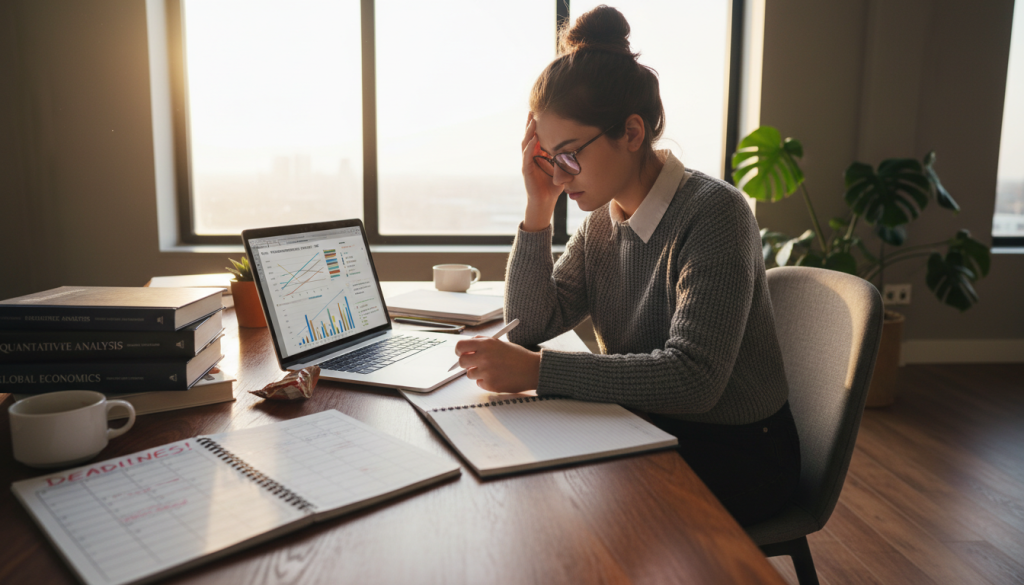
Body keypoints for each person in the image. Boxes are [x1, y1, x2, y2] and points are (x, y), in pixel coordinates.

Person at [453, 5, 799, 527]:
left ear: (632, 133)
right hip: (644, 424)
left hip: (740, 452)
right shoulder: (602, 221)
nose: (561, 174)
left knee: (559, 508)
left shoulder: (714, 214)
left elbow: (694, 380)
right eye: (549, 157)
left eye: (569, 154)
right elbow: (527, 328)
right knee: (518, 487)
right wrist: (538, 209)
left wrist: (540, 372)